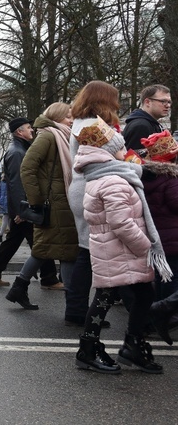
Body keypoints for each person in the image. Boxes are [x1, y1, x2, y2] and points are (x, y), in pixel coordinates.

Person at [72, 118, 171, 374]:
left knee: (141, 295)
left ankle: (132, 344)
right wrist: (146, 248)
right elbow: (121, 223)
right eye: (120, 146)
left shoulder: (106, 175)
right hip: (119, 250)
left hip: (117, 249)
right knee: (106, 297)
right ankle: (90, 349)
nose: (124, 150)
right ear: (108, 152)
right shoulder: (113, 180)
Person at [6, 103, 76, 309]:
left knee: (46, 248)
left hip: (61, 202)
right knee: (67, 251)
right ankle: (74, 306)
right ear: (57, 117)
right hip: (55, 204)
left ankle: (19, 288)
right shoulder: (49, 135)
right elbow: (27, 168)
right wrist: (36, 201)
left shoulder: (61, 135)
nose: (71, 120)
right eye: (68, 116)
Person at [66, 80, 122, 327]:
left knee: (87, 252)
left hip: (83, 188)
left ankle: (77, 309)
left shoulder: (81, 123)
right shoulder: (92, 126)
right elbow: (117, 152)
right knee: (90, 254)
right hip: (92, 189)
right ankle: (79, 311)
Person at [0, 118, 60, 288]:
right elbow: (18, 183)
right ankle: (49, 278)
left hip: (20, 208)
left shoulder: (19, 149)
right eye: (28, 128)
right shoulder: (17, 152)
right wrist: (22, 210)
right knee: (40, 242)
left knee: (15, 240)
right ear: (19, 132)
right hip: (23, 208)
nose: (31, 130)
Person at [139, 131, 178, 344]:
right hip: (173, 235)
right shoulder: (170, 178)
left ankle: (159, 311)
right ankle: (166, 313)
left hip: (158, 236)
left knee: (162, 277)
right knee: (172, 277)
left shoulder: (149, 175)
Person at [122, 85, 170, 153]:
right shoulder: (141, 126)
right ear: (147, 102)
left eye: (169, 102)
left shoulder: (150, 124)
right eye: (163, 101)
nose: (168, 105)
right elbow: (135, 160)